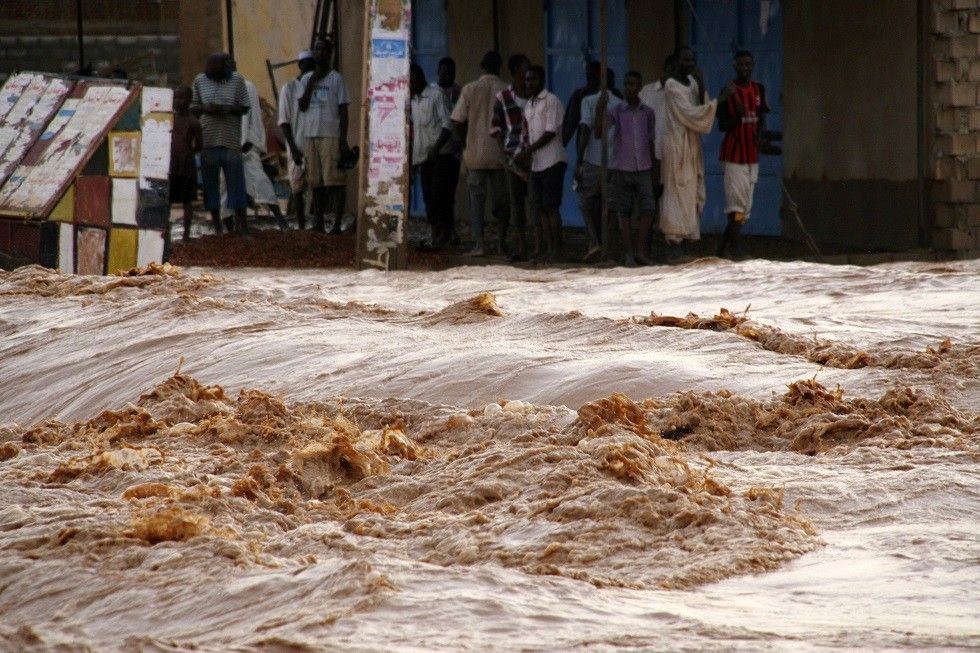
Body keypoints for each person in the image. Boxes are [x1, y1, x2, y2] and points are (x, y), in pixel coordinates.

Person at [659, 46, 717, 261]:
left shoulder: (692, 82)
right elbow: (691, 114)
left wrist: (701, 84)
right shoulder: (671, 86)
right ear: (676, 62)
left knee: (691, 192)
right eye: (685, 60)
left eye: (692, 59)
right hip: (676, 145)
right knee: (676, 191)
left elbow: (702, 105)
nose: (690, 64)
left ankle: (683, 243)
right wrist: (718, 100)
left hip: (691, 145)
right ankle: (673, 244)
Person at [450, 51, 508, 256]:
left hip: (474, 153)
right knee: (502, 202)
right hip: (500, 154)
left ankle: (479, 243)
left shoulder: (470, 89)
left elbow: (457, 121)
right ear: (499, 67)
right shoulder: (506, 89)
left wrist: (464, 142)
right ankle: (501, 242)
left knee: (476, 201)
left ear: (482, 66)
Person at [597, 70, 657, 266]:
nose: (628, 88)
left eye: (632, 84)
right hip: (622, 168)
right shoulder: (616, 111)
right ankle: (628, 253)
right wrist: (600, 109)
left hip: (644, 167)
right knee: (624, 212)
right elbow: (599, 133)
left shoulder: (648, 112)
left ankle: (640, 251)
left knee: (648, 208)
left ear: (639, 87)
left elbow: (651, 141)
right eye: (626, 84)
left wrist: (654, 169)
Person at [716, 49, 769, 258]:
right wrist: (736, 118)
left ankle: (720, 251)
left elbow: (762, 118)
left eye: (748, 64)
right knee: (736, 207)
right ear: (735, 66)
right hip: (733, 156)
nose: (744, 68)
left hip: (752, 155)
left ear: (752, 65)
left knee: (745, 209)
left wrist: (761, 136)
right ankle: (736, 250)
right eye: (741, 64)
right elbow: (721, 126)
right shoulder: (728, 91)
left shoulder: (759, 89)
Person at [191, 52, 250, 234]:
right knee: (211, 187)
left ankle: (242, 226)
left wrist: (228, 109)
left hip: (230, 140)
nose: (215, 78)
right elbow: (193, 107)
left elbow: (245, 107)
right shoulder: (199, 81)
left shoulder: (237, 80)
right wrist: (205, 108)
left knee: (236, 185)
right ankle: (217, 227)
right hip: (208, 140)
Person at [298, 37, 352, 234]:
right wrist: (313, 80)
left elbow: (344, 111)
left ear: (330, 53)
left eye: (323, 49)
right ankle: (318, 223)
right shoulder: (306, 79)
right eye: (317, 49)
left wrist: (343, 140)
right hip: (310, 135)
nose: (320, 53)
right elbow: (302, 106)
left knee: (335, 181)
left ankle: (337, 225)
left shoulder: (337, 79)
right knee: (316, 182)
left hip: (330, 135)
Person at [230, 60, 288, 231]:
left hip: (247, 145)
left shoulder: (246, 86)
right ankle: (238, 226)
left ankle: (281, 222)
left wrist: (247, 142)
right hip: (230, 146)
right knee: (232, 187)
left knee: (260, 182)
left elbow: (250, 117)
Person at [516, 65, 566, 262]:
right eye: (527, 80)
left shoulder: (551, 100)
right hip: (537, 164)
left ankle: (558, 251)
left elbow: (550, 132)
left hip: (552, 160)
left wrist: (528, 151)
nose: (529, 83)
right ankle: (549, 249)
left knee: (551, 207)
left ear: (542, 80)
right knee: (542, 209)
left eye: (533, 79)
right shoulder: (528, 105)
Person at [490, 53, 533, 261]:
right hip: (513, 157)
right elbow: (496, 127)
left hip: (534, 155)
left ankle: (538, 246)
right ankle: (522, 246)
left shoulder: (535, 96)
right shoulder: (503, 97)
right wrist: (504, 154)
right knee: (516, 204)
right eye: (525, 67)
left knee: (536, 203)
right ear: (516, 70)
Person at [576, 68, 620, 261]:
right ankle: (608, 247)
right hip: (613, 162)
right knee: (610, 207)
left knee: (585, 202)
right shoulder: (620, 104)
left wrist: (579, 161)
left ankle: (595, 241)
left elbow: (586, 129)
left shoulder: (587, 101)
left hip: (592, 161)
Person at [410, 64, 454, 249]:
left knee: (439, 196)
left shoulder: (436, 95)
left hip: (441, 155)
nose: (410, 85)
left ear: (420, 78)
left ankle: (445, 235)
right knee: (428, 197)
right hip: (423, 158)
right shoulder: (413, 101)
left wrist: (436, 148)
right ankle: (435, 235)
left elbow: (448, 124)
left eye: (412, 81)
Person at [278, 50, 316, 229]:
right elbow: (284, 121)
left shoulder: (317, 87)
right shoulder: (289, 88)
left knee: (315, 187)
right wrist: (293, 148)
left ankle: (314, 224)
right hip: (297, 144)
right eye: (306, 63)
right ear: (300, 66)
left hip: (314, 143)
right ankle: (301, 225)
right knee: (297, 188)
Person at [432, 57, 462, 246]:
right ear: (438, 71)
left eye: (451, 71)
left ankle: (449, 229)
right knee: (436, 194)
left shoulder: (459, 92)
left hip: (454, 151)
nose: (448, 75)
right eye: (444, 71)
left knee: (449, 194)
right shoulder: (432, 93)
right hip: (436, 152)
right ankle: (439, 229)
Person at [169, 86, 202, 242]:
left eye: (181, 98)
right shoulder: (169, 118)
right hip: (170, 167)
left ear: (189, 100)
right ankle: (166, 234)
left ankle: (186, 235)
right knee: (167, 201)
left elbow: (200, 145)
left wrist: (188, 153)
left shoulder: (193, 122)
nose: (177, 101)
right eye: (175, 97)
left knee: (187, 201)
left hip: (186, 167)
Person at [562, 61, 601, 148]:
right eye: (588, 74)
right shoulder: (580, 94)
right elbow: (570, 123)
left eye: (592, 74)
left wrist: (563, 143)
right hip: (587, 142)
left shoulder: (581, 94)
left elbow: (570, 123)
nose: (588, 76)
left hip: (592, 142)